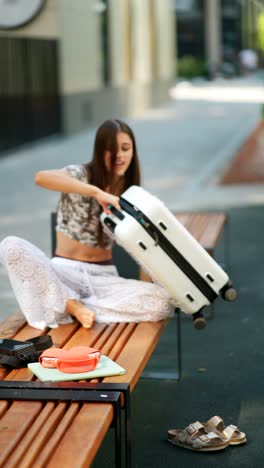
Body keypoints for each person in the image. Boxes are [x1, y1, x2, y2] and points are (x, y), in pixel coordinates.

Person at [0, 119, 174, 330]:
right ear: (100, 151)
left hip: (103, 280)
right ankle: (70, 304)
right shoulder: (81, 174)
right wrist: (96, 192)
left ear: (133, 151)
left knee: (163, 302)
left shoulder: (132, 194)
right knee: (11, 246)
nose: (120, 155)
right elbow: (41, 178)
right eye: (112, 149)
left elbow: (143, 252)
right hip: (63, 273)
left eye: (126, 148)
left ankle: (66, 305)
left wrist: (146, 290)